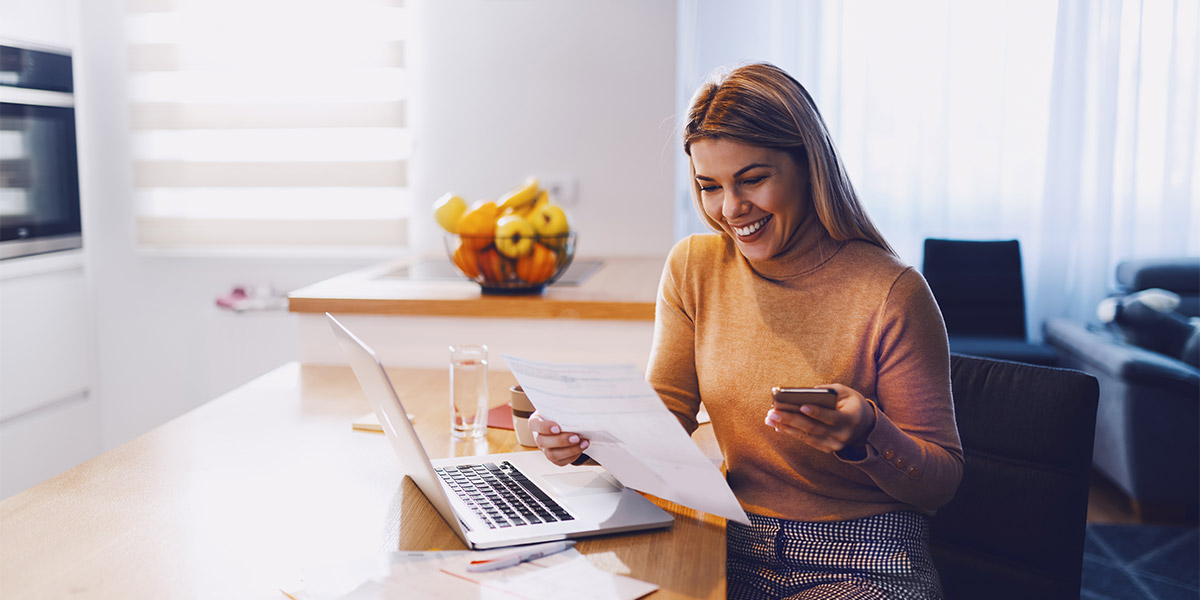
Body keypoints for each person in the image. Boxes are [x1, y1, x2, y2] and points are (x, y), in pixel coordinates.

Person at [528, 62, 964, 600]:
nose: (731, 210)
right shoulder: (695, 267)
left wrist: (866, 434)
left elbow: (941, 482)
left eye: (752, 179)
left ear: (808, 165)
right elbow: (664, 418)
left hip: (865, 559)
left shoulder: (892, 292)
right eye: (710, 186)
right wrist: (587, 440)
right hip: (732, 538)